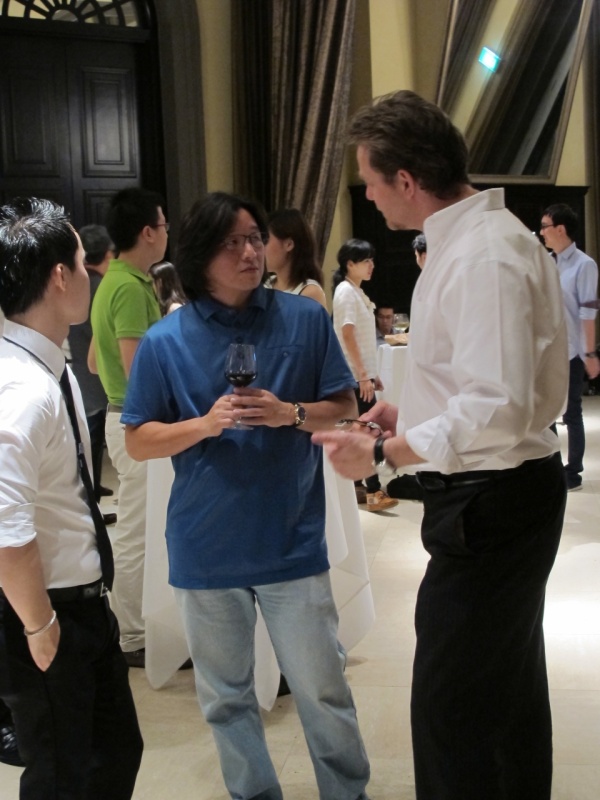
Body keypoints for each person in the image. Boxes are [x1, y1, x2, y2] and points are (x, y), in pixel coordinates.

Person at [313, 90, 569, 800]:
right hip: (501, 492)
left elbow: (496, 406)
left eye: (370, 181)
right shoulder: (475, 242)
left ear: (406, 180)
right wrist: (409, 413)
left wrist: (384, 454)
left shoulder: (485, 255)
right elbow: (482, 386)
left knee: (452, 713)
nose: (368, 195)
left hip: (493, 502)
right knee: (507, 693)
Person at [121, 191, 371, 800]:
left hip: (291, 539)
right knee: (226, 698)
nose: (250, 252)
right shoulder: (165, 341)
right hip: (206, 546)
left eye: (255, 237)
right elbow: (138, 440)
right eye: (232, 242)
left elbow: (343, 406)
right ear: (199, 256)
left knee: (322, 688)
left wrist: (289, 413)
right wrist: (204, 425)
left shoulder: (303, 319)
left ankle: (347, 792)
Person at [0, 197, 143, 798]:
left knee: (113, 755)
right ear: (60, 276)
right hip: (47, 608)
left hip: (80, 601)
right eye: (84, 263)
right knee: (64, 776)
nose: (91, 274)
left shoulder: (45, 363)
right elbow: (4, 528)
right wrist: (40, 626)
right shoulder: (21, 386)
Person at [90, 187, 165, 668]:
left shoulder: (114, 281)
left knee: (140, 527)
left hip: (122, 417)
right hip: (135, 422)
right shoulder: (130, 287)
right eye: (164, 224)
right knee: (138, 532)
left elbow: (95, 362)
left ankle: (139, 629)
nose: (167, 233)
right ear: (147, 233)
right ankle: (133, 635)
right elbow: (136, 368)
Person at [333, 239, 398, 512]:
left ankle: (360, 486)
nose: (371, 266)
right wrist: (362, 375)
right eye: (365, 261)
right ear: (350, 264)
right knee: (368, 430)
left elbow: (361, 338)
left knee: (362, 429)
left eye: (372, 260)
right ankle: (373, 491)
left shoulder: (356, 291)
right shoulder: (346, 291)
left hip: (360, 376)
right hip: (353, 376)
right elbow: (347, 334)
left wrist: (371, 374)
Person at [540, 203, 599, 491]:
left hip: (572, 350)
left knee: (571, 412)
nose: (541, 233)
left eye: (545, 227)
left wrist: (590, 353)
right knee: (547, 412)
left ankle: (573, 472)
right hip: (548, 350)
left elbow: (587, 313)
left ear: (560, 229)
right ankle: (551, 468)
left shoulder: (584, 265)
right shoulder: (549, 262)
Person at [68, 224, 116, 525]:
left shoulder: (84, 284)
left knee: (91, 441)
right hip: (95, 374)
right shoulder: (99, 285)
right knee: (92, 441)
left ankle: (95, 491)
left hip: (82, 370)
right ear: (108, 254)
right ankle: (93, 502)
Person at [264, 207, 328, 308]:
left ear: (289, 244)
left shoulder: (309, 292)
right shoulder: (267, 285)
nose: (260, 248)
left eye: (265, 241)